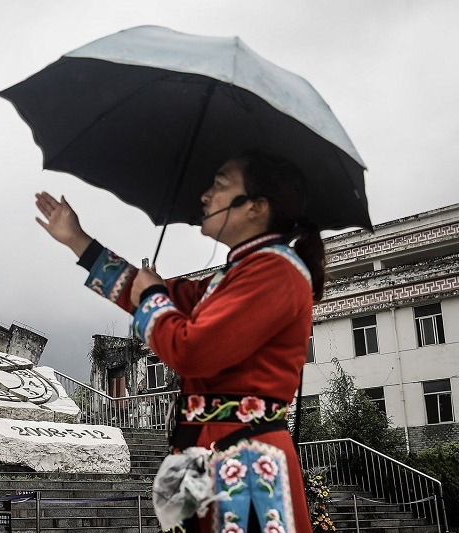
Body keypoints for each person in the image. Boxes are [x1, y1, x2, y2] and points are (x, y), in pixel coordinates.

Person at [34, 151, 321, 533]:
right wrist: (78, 241)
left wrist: (153, 298)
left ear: (256, 206)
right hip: (209, 454)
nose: (205, 196)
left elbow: (192, 351)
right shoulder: (234, 275)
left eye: (219, 186)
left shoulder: (276, 271)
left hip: (245, 465)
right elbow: (149, 292)